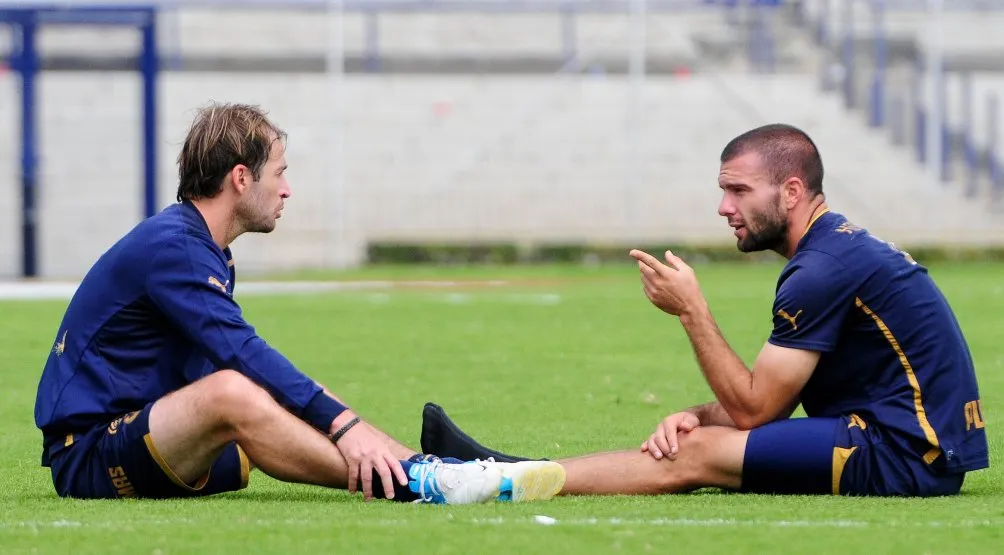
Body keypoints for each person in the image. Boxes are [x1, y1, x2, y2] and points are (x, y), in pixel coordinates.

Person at [33, 102, 566, 504]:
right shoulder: (175, 248)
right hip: (92, 455)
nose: (287, 189)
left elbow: (258, 370)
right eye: (280, 172)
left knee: (280, 399)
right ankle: (417, 483)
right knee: (233, 394)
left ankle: (443, 467)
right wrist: (344, 426)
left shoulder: (201, 246)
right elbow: (242, 355)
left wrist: (346, 421)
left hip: (161, 439)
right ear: (241, 178)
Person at [420, 123, 989, 497]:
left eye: (739, 190)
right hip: (906, 440)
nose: (723, 207)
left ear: (791, 192)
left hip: (906, 456)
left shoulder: (820, 271)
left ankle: (496, 480)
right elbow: (771, 400)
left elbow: (754, 412)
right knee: (696, 436)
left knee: (694, 455)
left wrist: (692, 311)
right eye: (723, 190)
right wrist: (698, 411)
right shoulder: (834, 249)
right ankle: (507, 473)